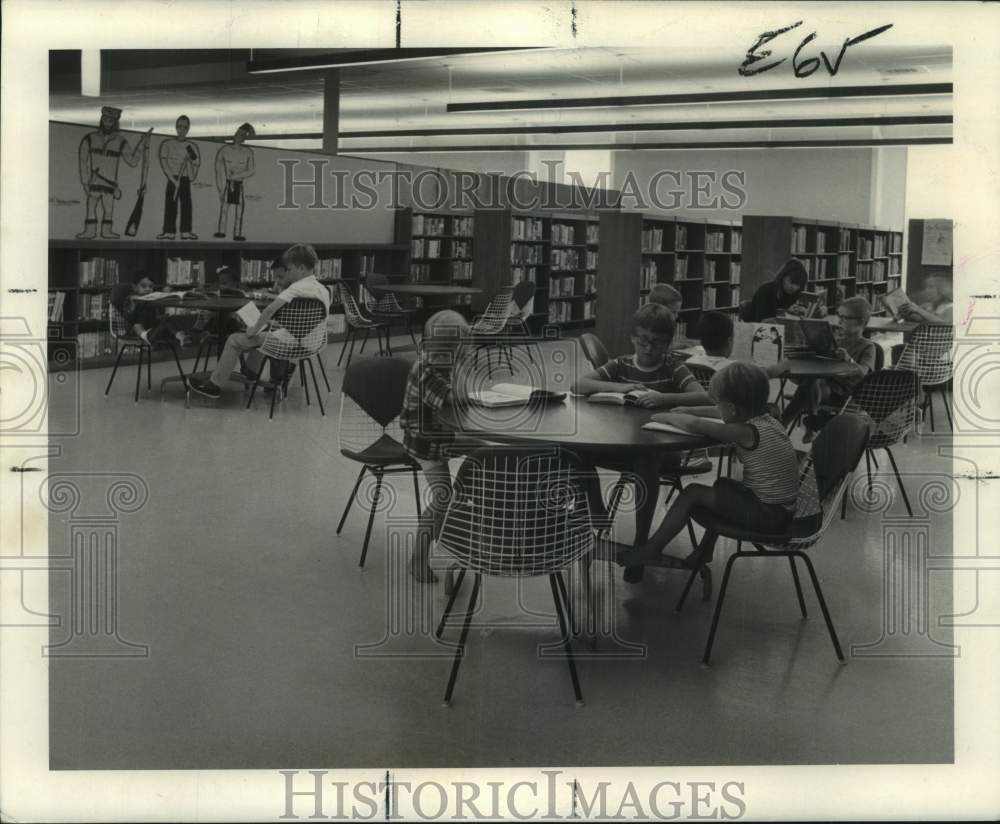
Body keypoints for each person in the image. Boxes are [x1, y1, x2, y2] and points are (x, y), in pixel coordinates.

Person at [616, 362, 801, 570]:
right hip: (782, 509)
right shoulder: (767, 418)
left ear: (731, 409)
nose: (717, 408)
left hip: (768, 515)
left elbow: (697, 426)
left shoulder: (745, 431)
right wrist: (688, 409)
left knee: (693, 493)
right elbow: (721, 413)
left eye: (719, 404)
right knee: (723, 486)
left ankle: (651, 550)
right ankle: (704, 552)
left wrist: (669, 416)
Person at [188, 243, 329, 398]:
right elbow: (308, 320)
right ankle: (250, 372)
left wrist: (254, 329)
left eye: (289, 269)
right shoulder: (323, 290)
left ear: (301, 268)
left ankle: (214, 385)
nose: (288, 273)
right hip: (313, 343)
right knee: (265, 331)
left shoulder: (295, 288)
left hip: (290, 343)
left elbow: (269, 310)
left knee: (235, 339)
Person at [399, 310, 471, 583]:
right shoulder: (428, 370)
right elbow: (457, 400)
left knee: (487, 456)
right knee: (443, 499)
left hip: (444, 435)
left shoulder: (441, 362)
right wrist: (464, 365)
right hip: (424, 444)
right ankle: (418, 559)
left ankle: (456, 540)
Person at [572, 303, 711, 409]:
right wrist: (619, 388)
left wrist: (665, 399)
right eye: (643, 340)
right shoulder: (621, 364)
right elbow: (577, 385)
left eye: (657, 342)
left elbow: (705, 398)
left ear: (667, 344)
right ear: (632, 337)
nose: (649, 348)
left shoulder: (674, 368)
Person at [782, 296, 879, 441]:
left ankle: (783, 425)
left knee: (808, 384)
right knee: (810, 380)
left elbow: (863, 373)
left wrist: (848, 359)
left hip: (844, 393)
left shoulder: (867, 346)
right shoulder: (836, 340)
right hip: (824, 384)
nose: (839, 320)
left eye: (845, 317)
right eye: (839, 315)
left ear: (860, 322)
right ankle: (807, 425)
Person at [76, 106, 153, 239]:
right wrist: (85, 182)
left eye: (110, 120)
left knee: (108, 210)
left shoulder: (120, 141)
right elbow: (83, 161)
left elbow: (133, 161)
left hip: (110, 185)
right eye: (105, 119)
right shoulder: (90, 138)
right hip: (93, 182)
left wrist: (142, 143)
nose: (107, 123)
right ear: (101, 120)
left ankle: (106, 232)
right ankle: (89, 231)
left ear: (115, 122)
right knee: (91, 208)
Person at [110, 271, 195, 347]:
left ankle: (182, 337)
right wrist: (133, 305)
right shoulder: (131, 300)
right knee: (137, 325)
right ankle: (147, 336)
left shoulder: (151, 300)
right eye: (143, 286)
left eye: (151, 286)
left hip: (152, 330)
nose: (148, 289)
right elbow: (129, 318)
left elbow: (154, 318)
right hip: (135, 331)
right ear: (135, 287)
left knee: (168, 320)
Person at [157, 114, 201, 240]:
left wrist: (190, 173)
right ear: (176, 127)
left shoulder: (191, 146)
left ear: (188, 129)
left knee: (186, 205)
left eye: (185, 127)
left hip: (185, 179)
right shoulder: (167, 144)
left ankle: (186, 231)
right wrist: (172, 179)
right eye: (180, 126)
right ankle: (169, 231)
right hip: (172, 179)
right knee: (170, 204)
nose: (182, 130)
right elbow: (164, 164)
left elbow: (196, 164)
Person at [214, 122, 256, 241]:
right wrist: (220, 189)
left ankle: (237, 233)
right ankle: (221, 231)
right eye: (238, 133)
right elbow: (218, 170)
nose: (239, 136)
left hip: (239, 183)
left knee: (239, 210)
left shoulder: (248, 152)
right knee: (224, 208)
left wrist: (236, 175)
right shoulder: (224, 150)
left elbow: (251, 170)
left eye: (243, 134)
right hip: (228, 184)